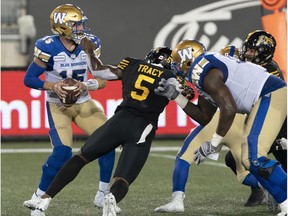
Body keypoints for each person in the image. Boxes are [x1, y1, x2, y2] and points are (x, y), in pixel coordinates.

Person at [22, 39, 182, 216]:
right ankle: (110, 197)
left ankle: (44, 199)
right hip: (142, 129)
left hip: (119, 120)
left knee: (80, 158)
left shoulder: (132, 63)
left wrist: (89, 53)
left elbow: (100, 72)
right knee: (123, 179)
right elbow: (187, 101)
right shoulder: (172, 77)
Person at [155, 31, 287, 214]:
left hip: (268, 94)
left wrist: (214, 143)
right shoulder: (207, 71)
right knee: (250, 160)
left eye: (178, 64)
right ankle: (285, 205)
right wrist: (176, 96)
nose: (176, 69)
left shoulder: (202, 71)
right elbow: (204, 117)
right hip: (261, 99)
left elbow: (229, 108)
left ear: (187, 61)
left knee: (254, 157)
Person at [23, 4, 116, 216]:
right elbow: (28, 79)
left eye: (81, 23)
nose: (82, 28)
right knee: (62, 152)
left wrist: (86, 85)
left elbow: (102, 80)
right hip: (58, 104)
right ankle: (38, 196)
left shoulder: (89, 44)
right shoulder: (48, 46)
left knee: (108, 140)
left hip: (84, 101)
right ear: (63, 27)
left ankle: (102, 194)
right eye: (77, 24)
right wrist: (53, 85)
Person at [224, 30, 287, 208]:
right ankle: (259, 188)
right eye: (248, 49)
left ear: (264, 52)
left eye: (252, 50)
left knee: (281, 166)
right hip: (261, 126)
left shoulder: (270, 72)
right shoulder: (252, 66)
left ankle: (279, 193)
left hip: (280, 129)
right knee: (233, 159)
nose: (247, 53)